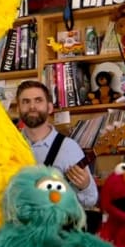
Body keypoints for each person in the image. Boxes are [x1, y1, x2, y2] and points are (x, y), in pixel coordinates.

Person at [15, 80, 97, 209]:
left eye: (38, 100)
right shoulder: (8, 146)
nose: (32, 106)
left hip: (56, 226)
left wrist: (84, 185)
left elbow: (91, 200)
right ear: (18, 109)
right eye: (26, 101)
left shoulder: (69, 148)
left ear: (50, 107)